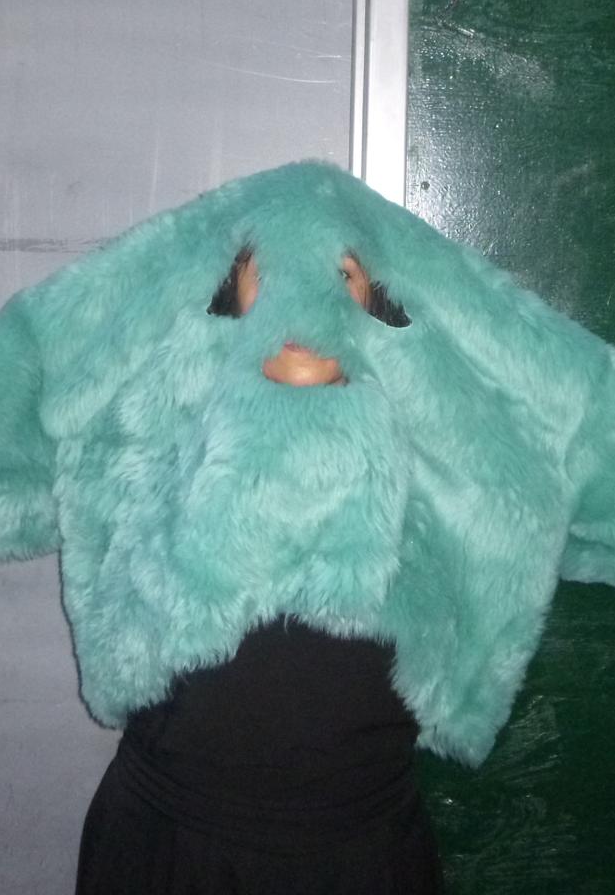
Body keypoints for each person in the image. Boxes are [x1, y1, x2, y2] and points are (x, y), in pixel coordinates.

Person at [76, 251, 443, 893]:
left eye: (336, 276)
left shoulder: (443, 460)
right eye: (270, 274)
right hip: (168, 850)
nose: (298, 306)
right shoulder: (151, 435)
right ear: (235, 294)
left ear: (371, 299)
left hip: (364, 857)